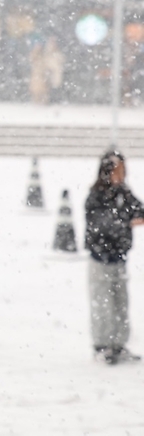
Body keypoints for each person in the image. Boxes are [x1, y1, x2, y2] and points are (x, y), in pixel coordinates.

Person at [84, 148, 144, 365]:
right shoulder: (97, 196)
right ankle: (102, 345)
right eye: (117, 171)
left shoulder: (123, 193)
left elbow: (139, 210)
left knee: (120, 302)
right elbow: (102, 224)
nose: (121, 176)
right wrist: (127, 221)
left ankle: (118, 344)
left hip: (119, 258)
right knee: (103, 302)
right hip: (101, 259)